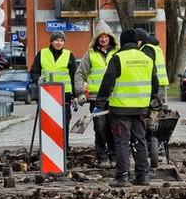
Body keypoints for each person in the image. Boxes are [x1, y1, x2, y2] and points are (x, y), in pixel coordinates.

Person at [94, 28, 159, 187]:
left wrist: (99, 104)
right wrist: (149, 101)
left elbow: (107, 83)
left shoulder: (118, 58)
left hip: (121, 109)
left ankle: (122, 176)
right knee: (140, 140)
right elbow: (155, 85)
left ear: (122, 42)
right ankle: (142, 176)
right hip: (141, 109)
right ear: (137, 42)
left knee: (122, 142)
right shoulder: (147, 58)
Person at [74, 21, 118, 167]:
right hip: (96, 98)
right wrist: (80, 92)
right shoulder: (90, 55)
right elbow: (80, 74)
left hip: (114, 98)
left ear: (110, 37)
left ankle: (114, 156)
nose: (103, 39)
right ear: (96, 39)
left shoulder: (116, 53)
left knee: (114, 128)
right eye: (101, 37)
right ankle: (102, 157)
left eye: (106, 36)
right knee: (100, 129)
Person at [30, 31, 79, 155]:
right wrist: (38, 79)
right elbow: (34, 72)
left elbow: (75, 76)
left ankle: (64, 150)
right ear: (51, 41)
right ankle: (48, 150)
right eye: (57, 40)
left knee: (64, 123)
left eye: (62, 41)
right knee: (48, 123)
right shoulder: (42, 54)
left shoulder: (69, 55)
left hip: (65, 95)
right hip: (47, 94)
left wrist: (75, 95)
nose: (59, 43)